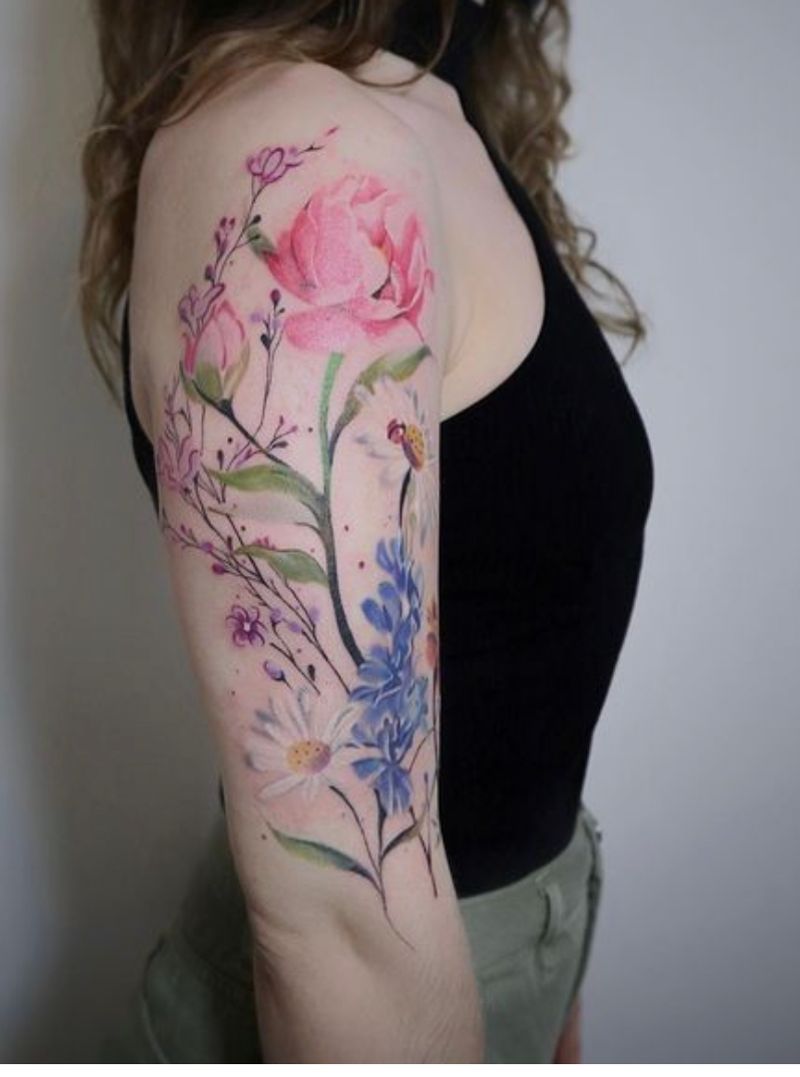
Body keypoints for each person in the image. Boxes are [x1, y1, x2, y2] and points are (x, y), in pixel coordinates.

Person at [79, 0, 654, 1063]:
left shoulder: (426, 111)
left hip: (506, 952)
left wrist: (551, 982)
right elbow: (345, 924)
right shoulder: (298, 148)